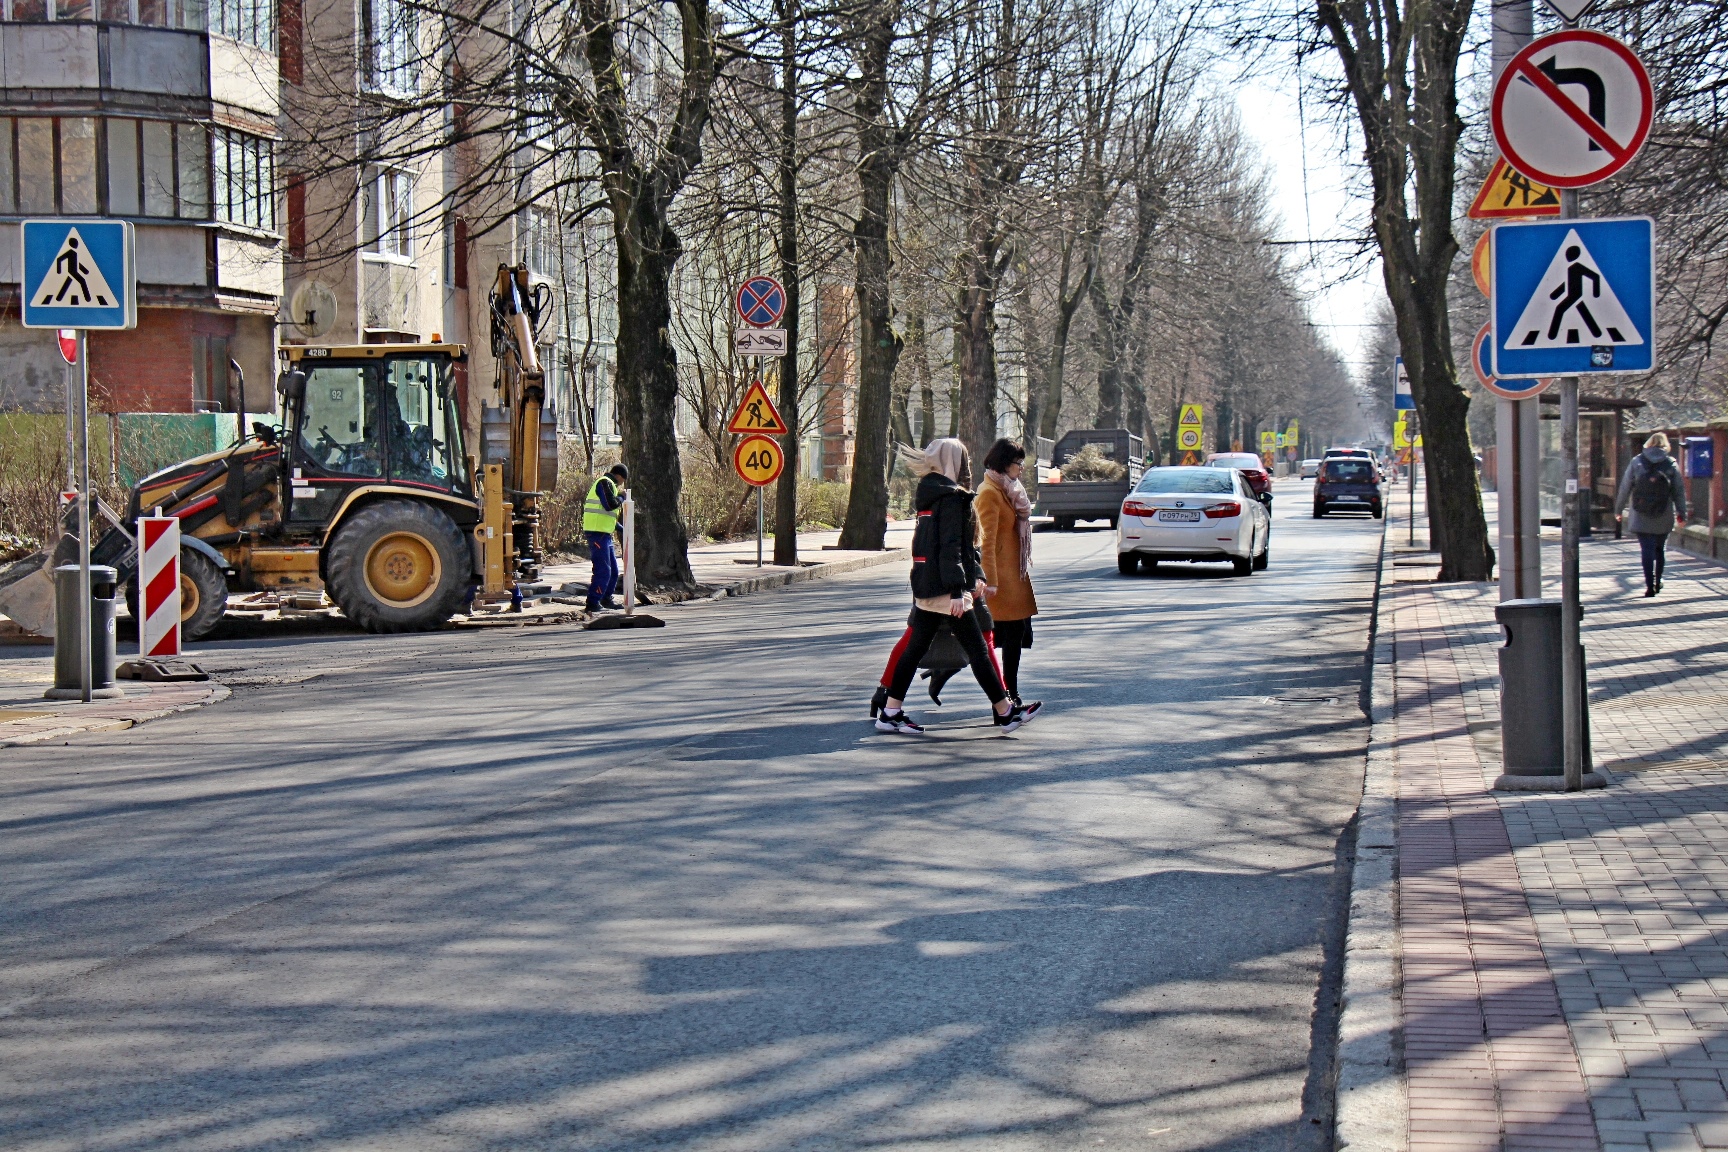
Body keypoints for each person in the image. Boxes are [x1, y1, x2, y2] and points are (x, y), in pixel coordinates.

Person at [874, 438, 1041, 736]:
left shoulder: (930, 493)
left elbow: (940, 547)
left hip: (930, 585)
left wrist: (974, 576)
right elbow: (952, 548)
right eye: (964, 460)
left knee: (917, 649)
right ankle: (1005, 712)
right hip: (947, 590)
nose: (968, 465)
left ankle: (890, 710)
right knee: (977, 650)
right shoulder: (953, 498)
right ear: (955, 462)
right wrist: (957, 590)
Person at [976, 438, 1039, 705]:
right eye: (1018, 463)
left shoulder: (1009, 489)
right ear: (1004, 463)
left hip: (1014, 576)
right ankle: (1008, 695)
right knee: (1004, 638)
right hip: (1000, 580)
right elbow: (985, 541)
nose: (1021, 468)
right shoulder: (989, 492)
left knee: (1013, 635)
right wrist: (989, 580)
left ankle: (1007, 693)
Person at [1615, 433, 1686, 597]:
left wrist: (1618, 510)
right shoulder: (1671, 463)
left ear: (1648, 444)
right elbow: (1678, 491)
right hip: (1664, 513)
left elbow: (1625, 487)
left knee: (1646, 549)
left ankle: (1649, 586)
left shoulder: (1637, 462)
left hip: (1640, 514)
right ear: (1665, 445)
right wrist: (1681, 512)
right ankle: (1658, 581)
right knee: (1660, 549)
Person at [583, 463, 629, 611]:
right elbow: (609, 505)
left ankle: (606, 599)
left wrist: (624, 529)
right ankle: (593, 602)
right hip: (597, 533)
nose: (622, 483)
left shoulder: (610, 486)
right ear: (619, 476)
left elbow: (608, 517)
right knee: (603, 570)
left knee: (613, 571)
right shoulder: (604, 483)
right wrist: (621, 497)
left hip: (605, 534)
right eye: (623, 480)